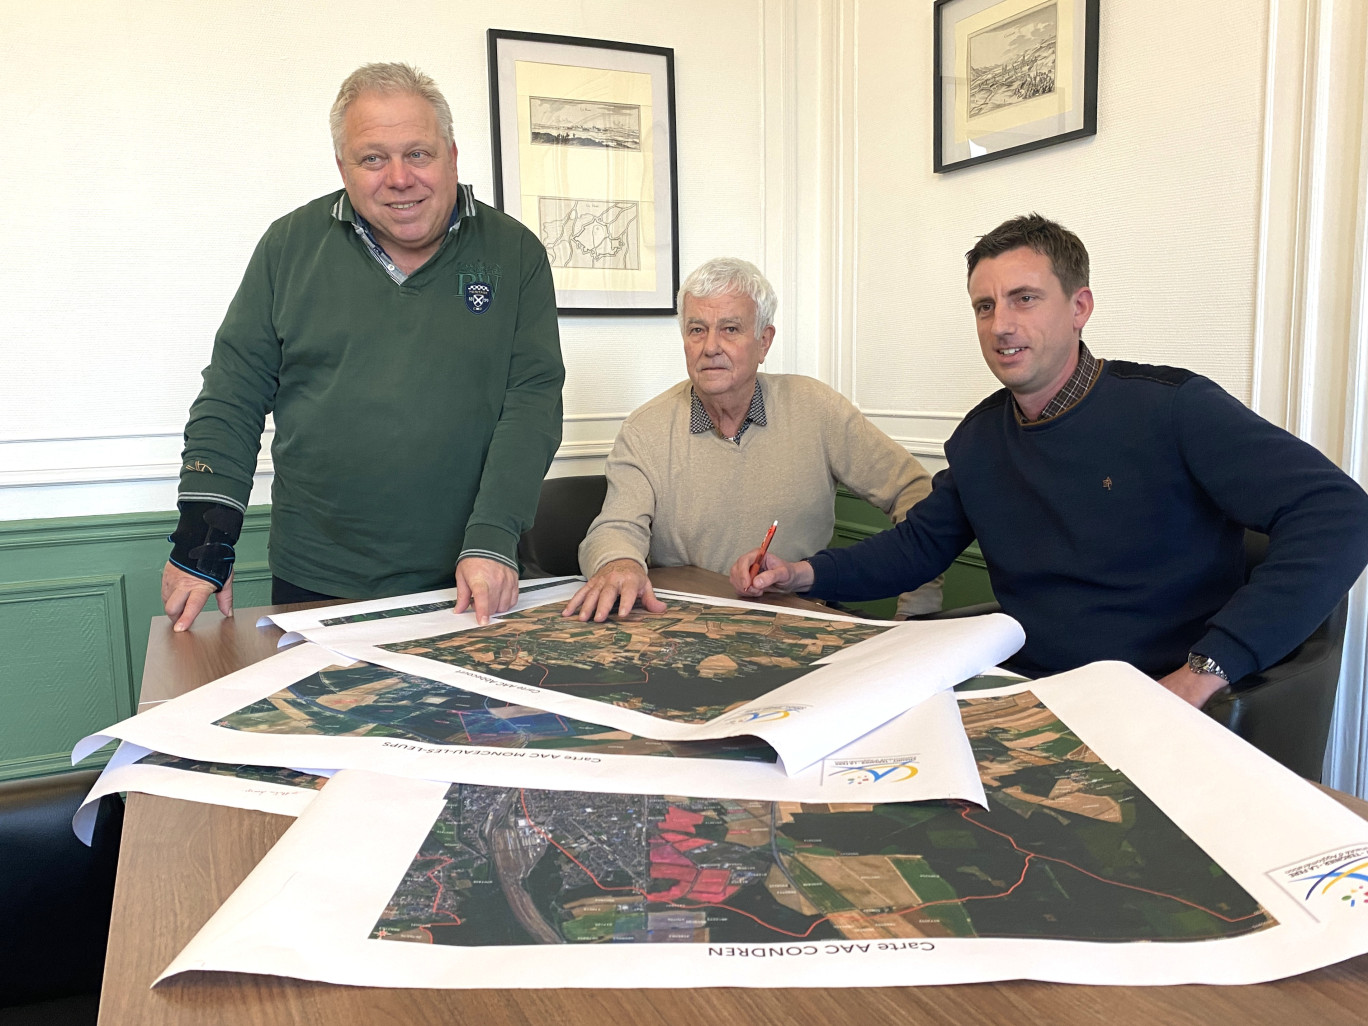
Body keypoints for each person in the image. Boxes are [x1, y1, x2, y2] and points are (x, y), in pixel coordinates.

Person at [733, 214, 1368, 708]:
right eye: (985, 306)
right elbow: (917, 549)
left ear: (1079, 308)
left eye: (1024, 299)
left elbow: (1340, 512)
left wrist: (1204, 673)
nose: (1001, 324)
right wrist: (800, 575)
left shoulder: (1174, 410)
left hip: (1157, 699)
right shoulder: (981, 439)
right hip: (1026, 696)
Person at [162, 63, 564, 631]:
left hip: (470, 576)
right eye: (373, 158)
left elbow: (532, 405)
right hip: (316, 579)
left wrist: (494, 540)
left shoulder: (516, 254)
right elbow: (233, 395)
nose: (399, 178)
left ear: (452, 154)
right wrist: (204, 538)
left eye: (418, 154)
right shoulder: (288, 247)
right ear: (343, 168)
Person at [564, 257, 941, 622]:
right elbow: (615, 527)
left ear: (764, 341)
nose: (710, 346)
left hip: (798, 621)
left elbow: (916, 493)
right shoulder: (645, 429)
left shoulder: (816, 408)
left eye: (730, 329)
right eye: (697, 329)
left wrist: (917, 608)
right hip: (684, 626)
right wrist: (621, 562)